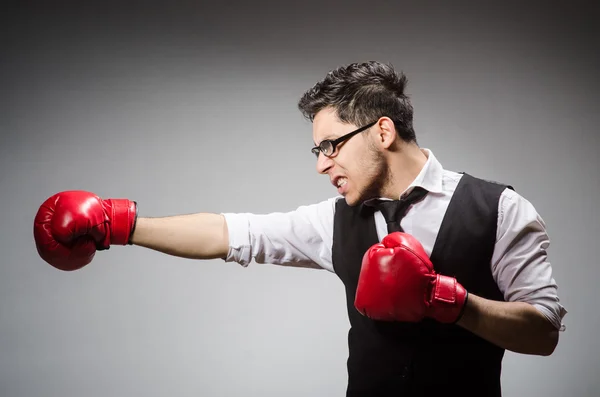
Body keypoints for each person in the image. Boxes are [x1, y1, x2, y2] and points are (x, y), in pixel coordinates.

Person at [33, 61, 566, 397]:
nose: (321, 164)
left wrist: (447, 301)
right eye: (317, 150)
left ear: (382, 130)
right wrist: (118, 224)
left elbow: (543, 332)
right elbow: (231, 234)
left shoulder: (501, 208)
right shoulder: (333, 221)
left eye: (331, 146)